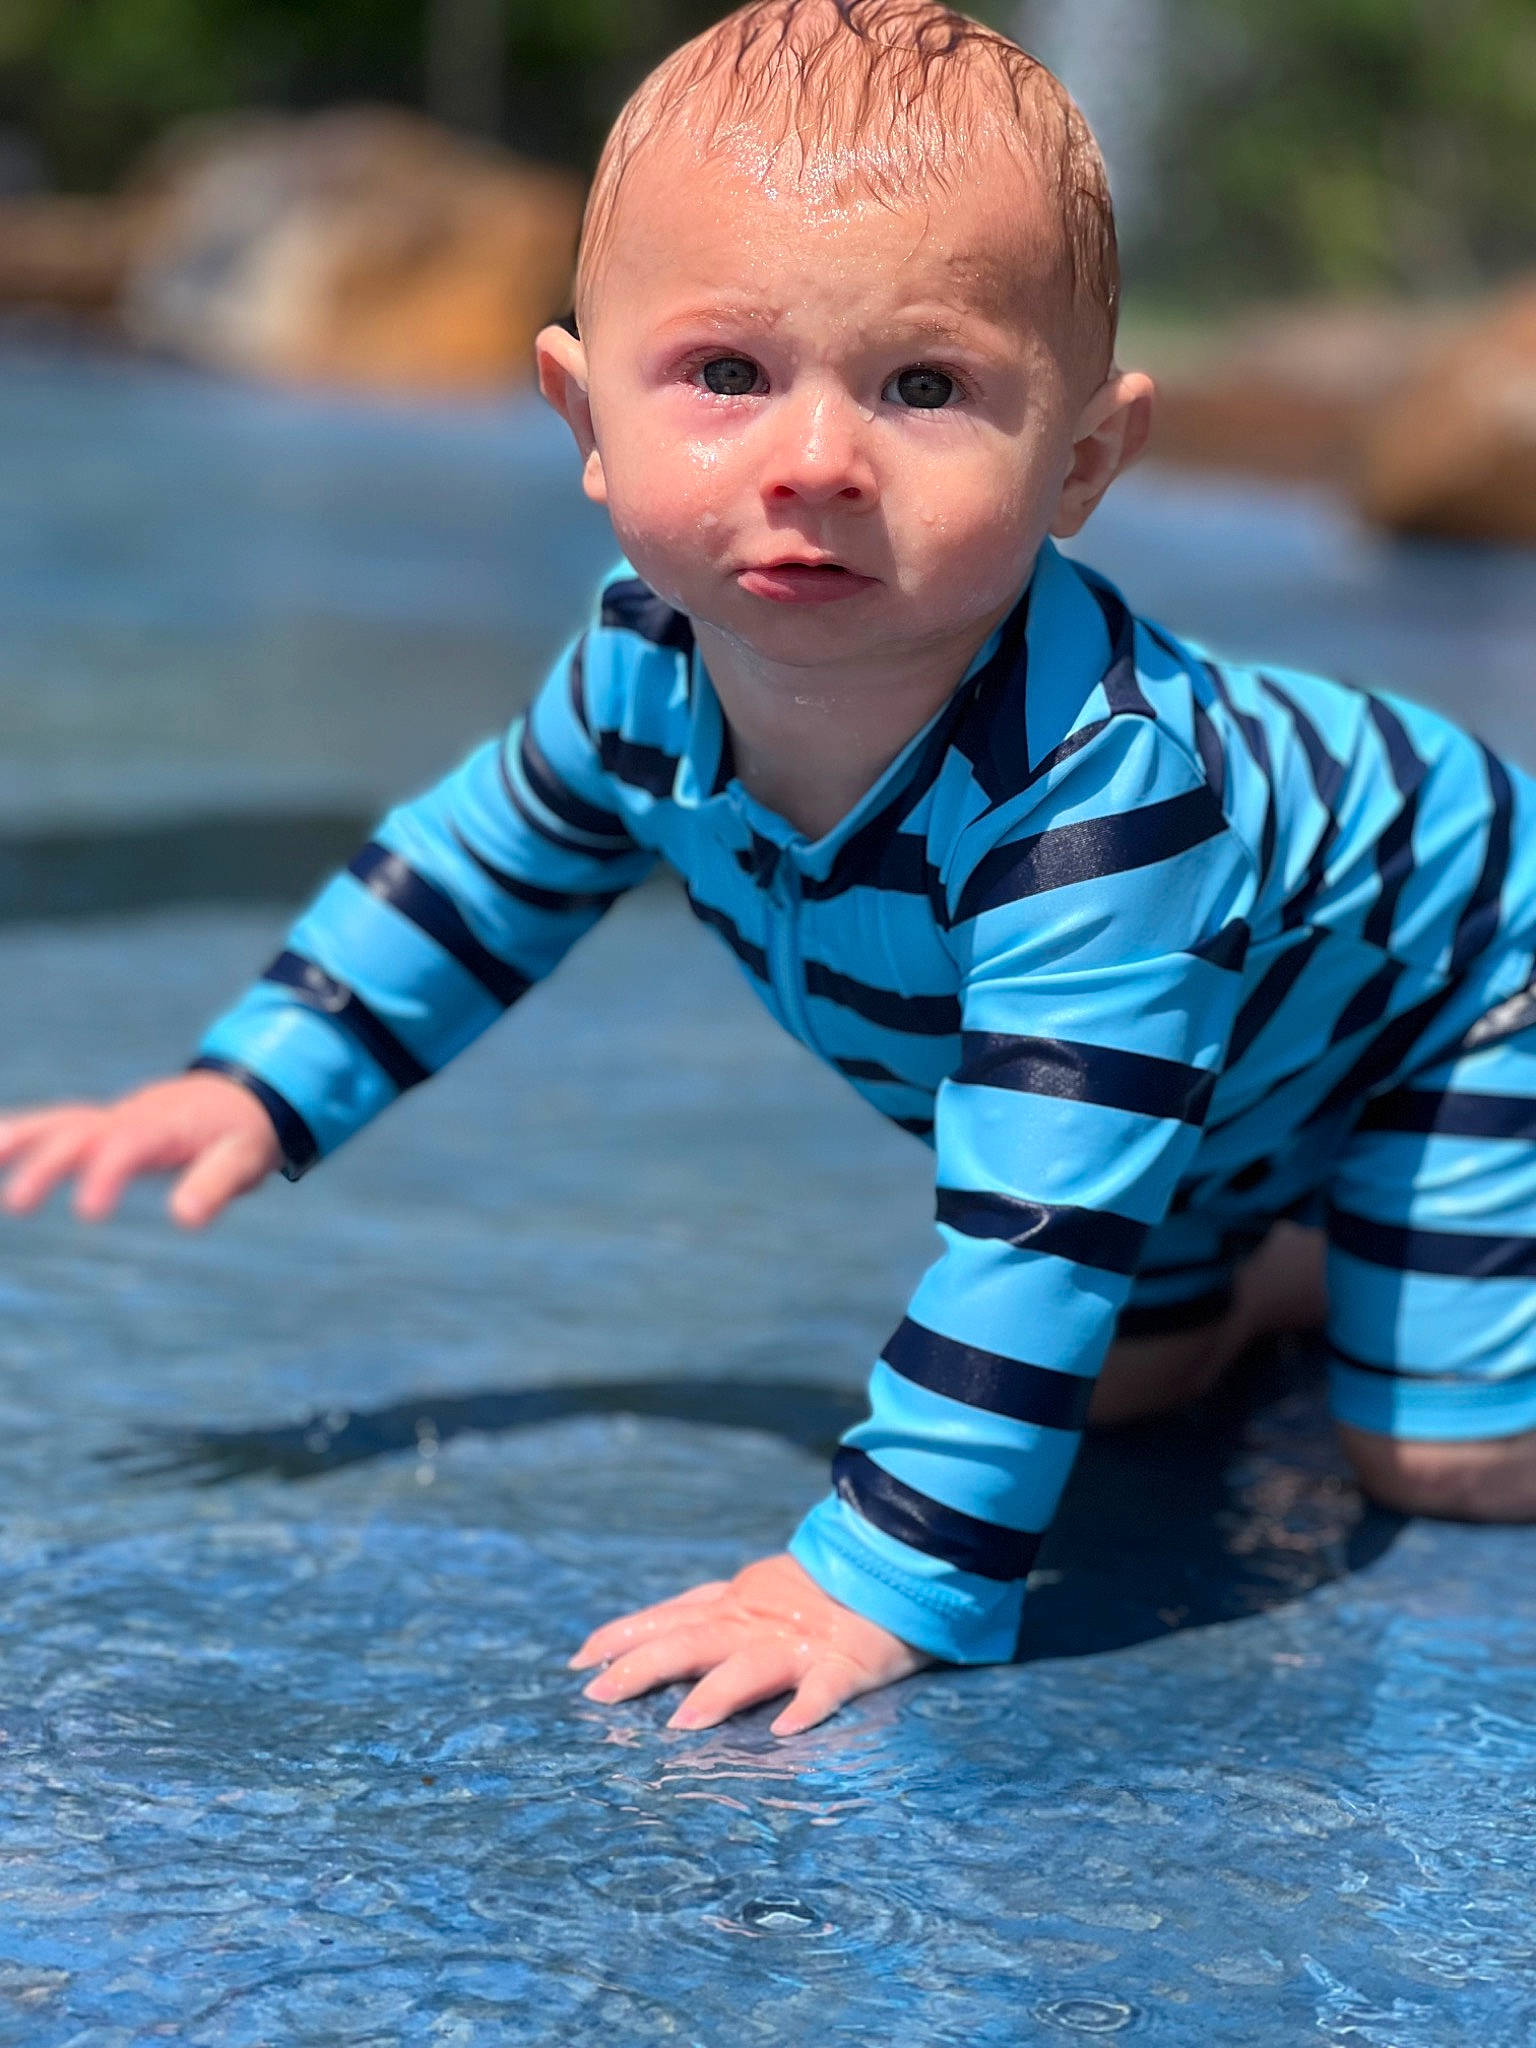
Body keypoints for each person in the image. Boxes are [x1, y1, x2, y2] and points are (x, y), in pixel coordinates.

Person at [5, 0, 1536, 1739]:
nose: (816, 457)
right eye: (728, 373)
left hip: (1466, 987)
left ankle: (1382, 1216)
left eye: (927, 386)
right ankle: (1305, 1245)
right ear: (583, 414)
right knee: (1126, 1388)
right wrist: (263, 1081)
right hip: (1234, 1048)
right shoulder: (643, 671)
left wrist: (877, 1578)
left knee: (1448, 1452)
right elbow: (483, 869)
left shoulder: (1101, 817)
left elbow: (1038, 1222)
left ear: (1084, 461)